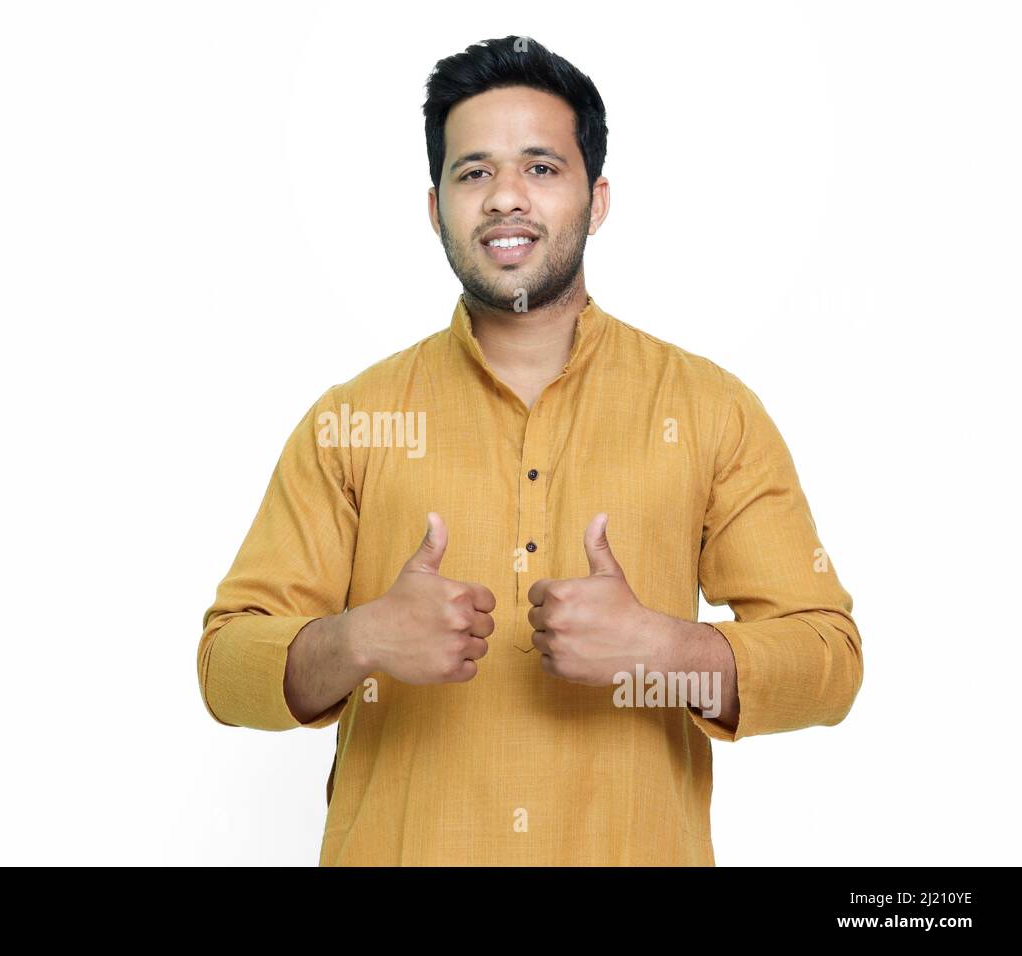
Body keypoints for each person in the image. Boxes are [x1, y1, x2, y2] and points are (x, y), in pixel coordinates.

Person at [197, 35, 863, 866]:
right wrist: (359, 639)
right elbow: (225, 664)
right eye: (473, 172)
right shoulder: (353, 419)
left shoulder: (710, 411)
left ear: (599, 196)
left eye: (542, 168)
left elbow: (829, 660)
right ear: (434, 204)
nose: (506, 196)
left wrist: (662, 650)